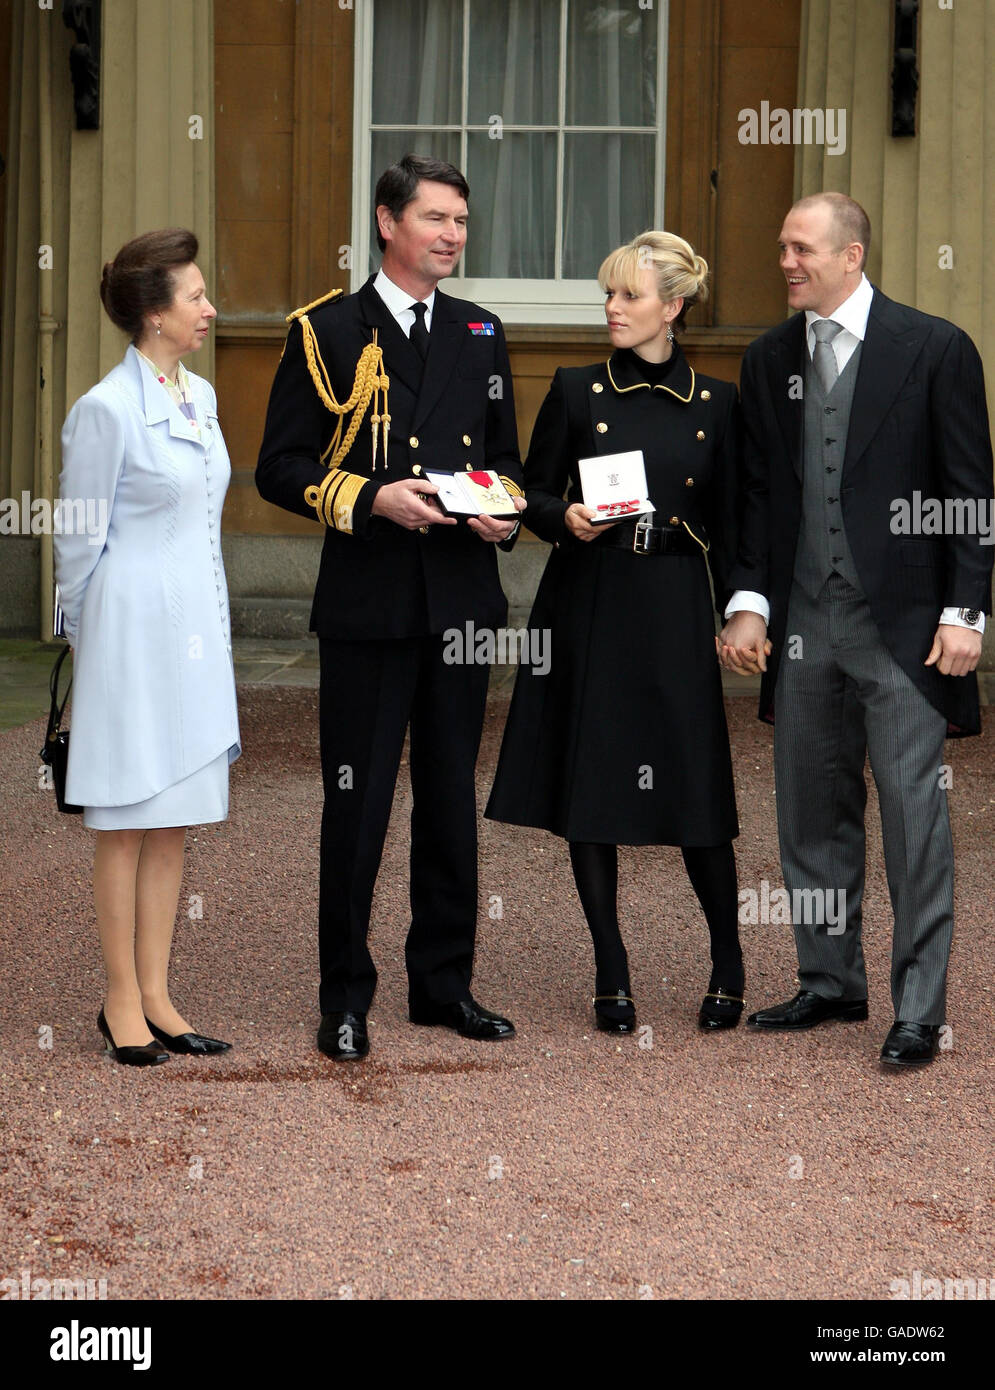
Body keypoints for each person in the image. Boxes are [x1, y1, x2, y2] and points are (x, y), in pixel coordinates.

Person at [256, 154, 526, 1061]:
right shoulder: (327, 329)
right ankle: (344, 997)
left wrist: (502, 513)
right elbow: (280, 467)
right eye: (435, 218)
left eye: (461, 220)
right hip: (369, 603)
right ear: (386, 222)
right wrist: (371, 499)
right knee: (357, 803)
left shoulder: (482, 332)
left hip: (458, 602)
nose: (452, 234)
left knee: (449, 798)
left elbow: (506, 464)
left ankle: (444, 986)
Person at [719, 192, 993, 1068]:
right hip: (803, 619)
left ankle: (918, 1010)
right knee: (808, 810)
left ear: (851, 255)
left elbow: (968, 493)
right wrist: (750, 599)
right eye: (782, 248)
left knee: (915, 821)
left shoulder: (934, 348)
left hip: (907, 627)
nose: (786, 262)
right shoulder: (768, 360)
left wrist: (964, 611)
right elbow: (760, 494)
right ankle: (830, 983)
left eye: (800, 248)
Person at [485, 231, 746, 1034]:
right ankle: (611, 967)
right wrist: (556, 514)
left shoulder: (718, 404)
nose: (610, 308)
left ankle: (728, 960)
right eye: (607, 295)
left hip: (672, 601)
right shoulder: (575, 390)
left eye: (627, 296)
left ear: (672, 307)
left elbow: (735, 524)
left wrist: (743, 607)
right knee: (591, 786)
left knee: (695, 789)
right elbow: (525, 489)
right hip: (589, 599)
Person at [55, 228, 240, 1067]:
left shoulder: (198, 394)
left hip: (197, 630)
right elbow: (76, 541)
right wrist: (87, 650)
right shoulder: (103, 408)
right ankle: (119, 999)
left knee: (174, 822)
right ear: (154, 314)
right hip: (127, 635)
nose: (208, 308)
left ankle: (160, 992)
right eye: (195, 296)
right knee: (125, 824)